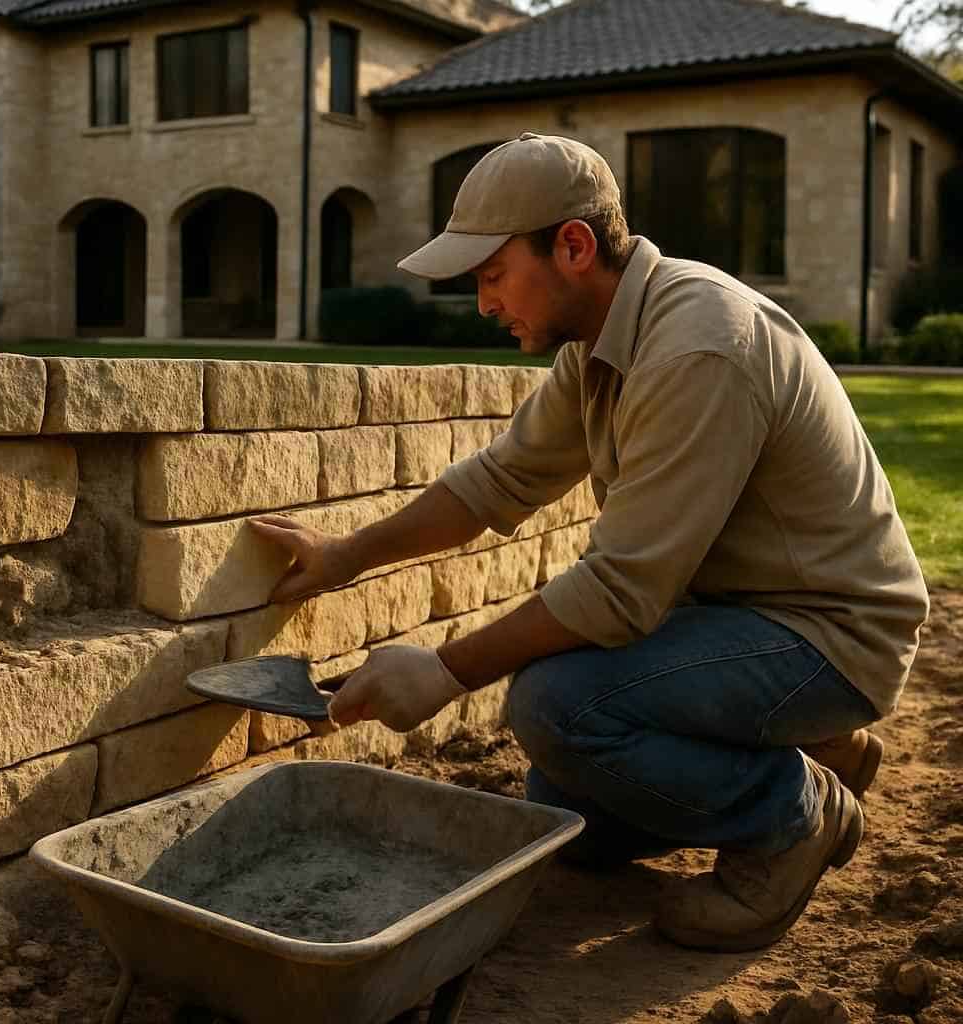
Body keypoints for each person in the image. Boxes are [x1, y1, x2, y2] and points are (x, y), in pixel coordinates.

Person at [250, 132, 929, 953]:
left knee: (557, 707)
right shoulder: (602, 340)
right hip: (733, 622)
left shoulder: (700, 346)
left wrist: (442, 671)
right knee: (572, 808)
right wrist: (342, 555)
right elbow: (497, 482)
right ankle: (817, 748)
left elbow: (619, 592)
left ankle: (797, 818)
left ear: (572, 246)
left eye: (493, 275)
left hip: (827, 637)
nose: (485, 302)